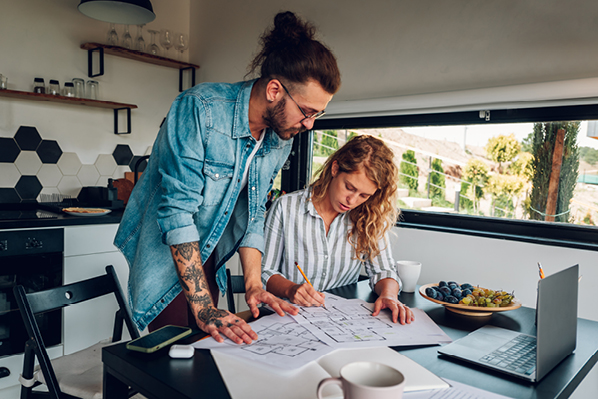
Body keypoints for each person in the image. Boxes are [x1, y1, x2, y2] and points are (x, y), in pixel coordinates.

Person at [114, 11, 341, 344]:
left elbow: (254, 213)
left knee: (208, 351)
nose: (309, 124)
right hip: (166, 254)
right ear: (275, 90)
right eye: (307, 112)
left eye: (317, 115)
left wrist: (254, 284)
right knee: (179, 360)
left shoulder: (278, 139)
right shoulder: (200, 109)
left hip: (207, 255)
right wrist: (203, 307)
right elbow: (177, 212)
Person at [262, 135, 415, 324]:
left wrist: (389, 295)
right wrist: (291, 289)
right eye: (349, 187)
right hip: (287, 316)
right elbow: (265, 272)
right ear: (335, 169)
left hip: (338, 321)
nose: (353, 200)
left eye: (364, 195)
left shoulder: (370, 216)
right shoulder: (285, 207)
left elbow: (383, 271)